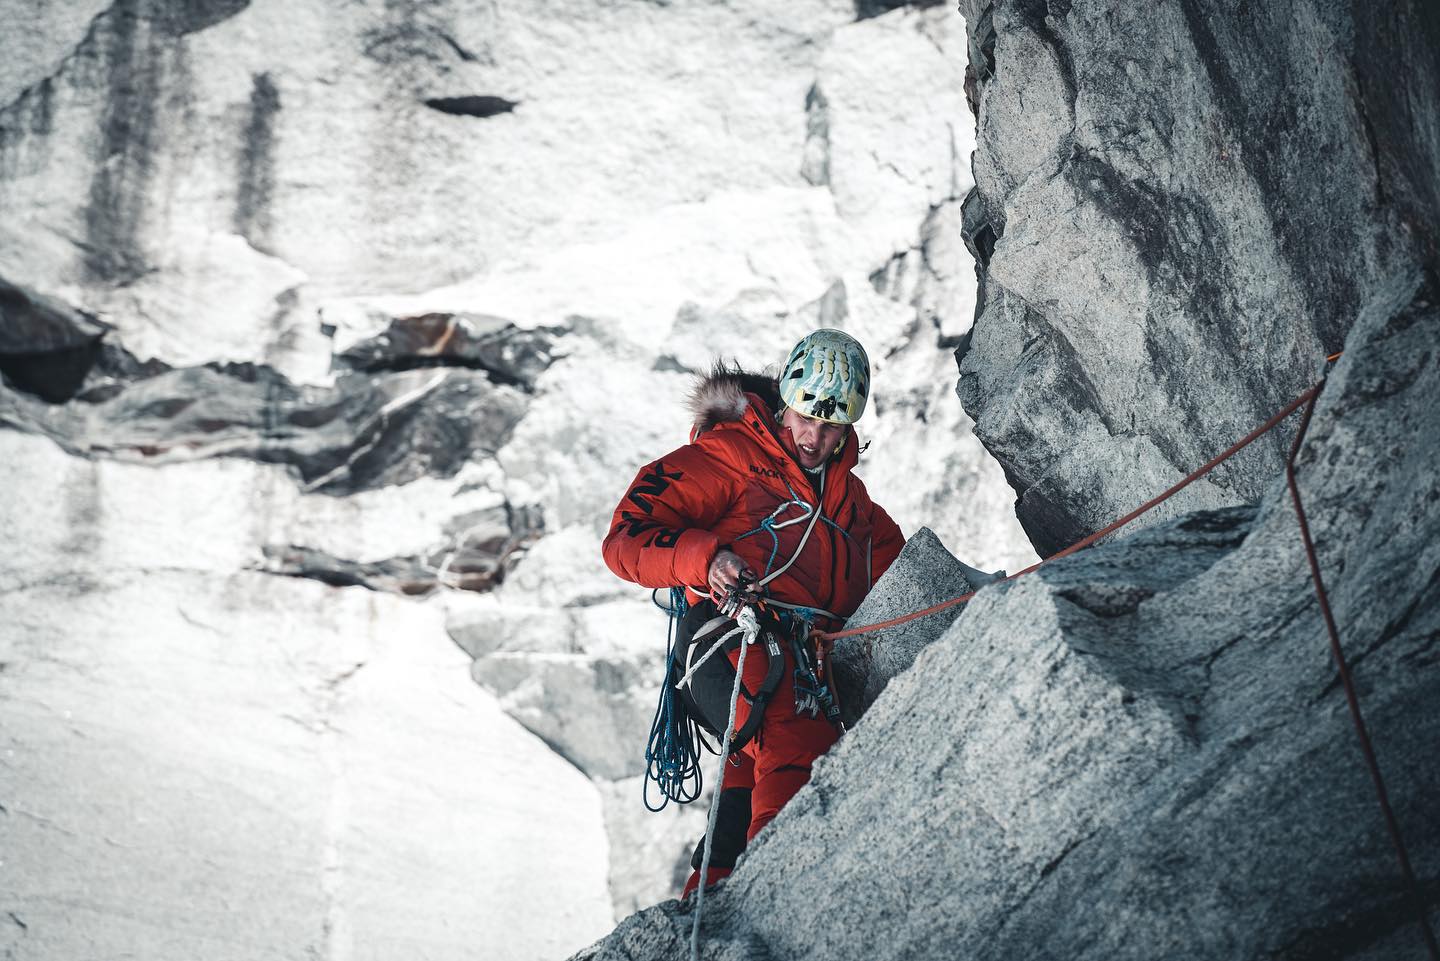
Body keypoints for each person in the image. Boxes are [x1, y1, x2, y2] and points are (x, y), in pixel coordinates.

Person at [602, 328, 905, 896]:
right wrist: (706, 558)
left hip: (791, 665)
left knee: (747, 782)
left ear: (848, 427)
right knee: (793, 730)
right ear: (785, 405)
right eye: (804, 419)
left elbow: (911, 582)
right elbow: (624, 540)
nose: (812, 438)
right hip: (727, 643)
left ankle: (711, 902)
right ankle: (780, 893)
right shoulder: (728, 458)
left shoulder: (856, 512)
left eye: (829, 425)